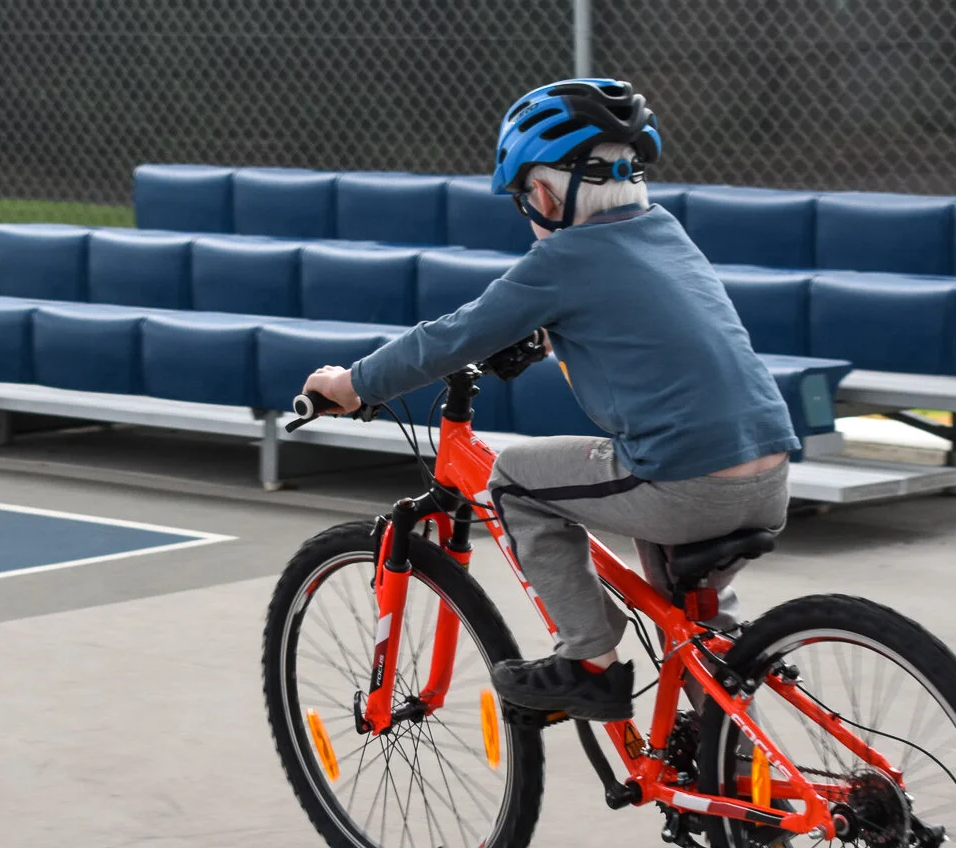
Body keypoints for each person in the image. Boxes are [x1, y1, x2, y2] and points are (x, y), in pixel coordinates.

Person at [301, 78, 797, 721]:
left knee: (513, 479)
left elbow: (448, 338)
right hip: (768, 472)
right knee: (700, 630)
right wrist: (544, 333)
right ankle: (744, 791)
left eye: (522, 199)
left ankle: (589, 661)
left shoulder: (563, 258)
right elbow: (639, 315)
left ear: (540, 192)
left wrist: (351, 385)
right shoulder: (664, 231)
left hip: (683, 483)